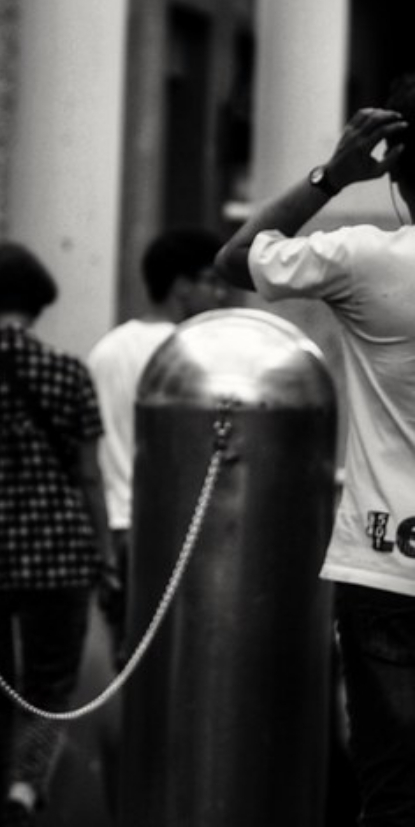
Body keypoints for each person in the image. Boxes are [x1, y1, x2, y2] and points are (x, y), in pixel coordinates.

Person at [214, 82, 415, 827]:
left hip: (387, 563)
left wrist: (333, 175)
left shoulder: (366, 260)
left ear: (397, 177)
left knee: (394, 790)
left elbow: (236, 258)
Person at [0, 241, 114, 827]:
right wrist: (105, 554)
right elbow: (89, 474)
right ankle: (25, 789)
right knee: (49, 687)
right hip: (62, 553)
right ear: (37, 303)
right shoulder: (67, 371)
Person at [86, 226, 227, 655]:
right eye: (211, 281)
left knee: (127, 655)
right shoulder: (195, 351)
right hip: (173, 527)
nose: (220, 294)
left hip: (116, 524)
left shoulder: (107, 348)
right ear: (183, 286)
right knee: (180, 658)